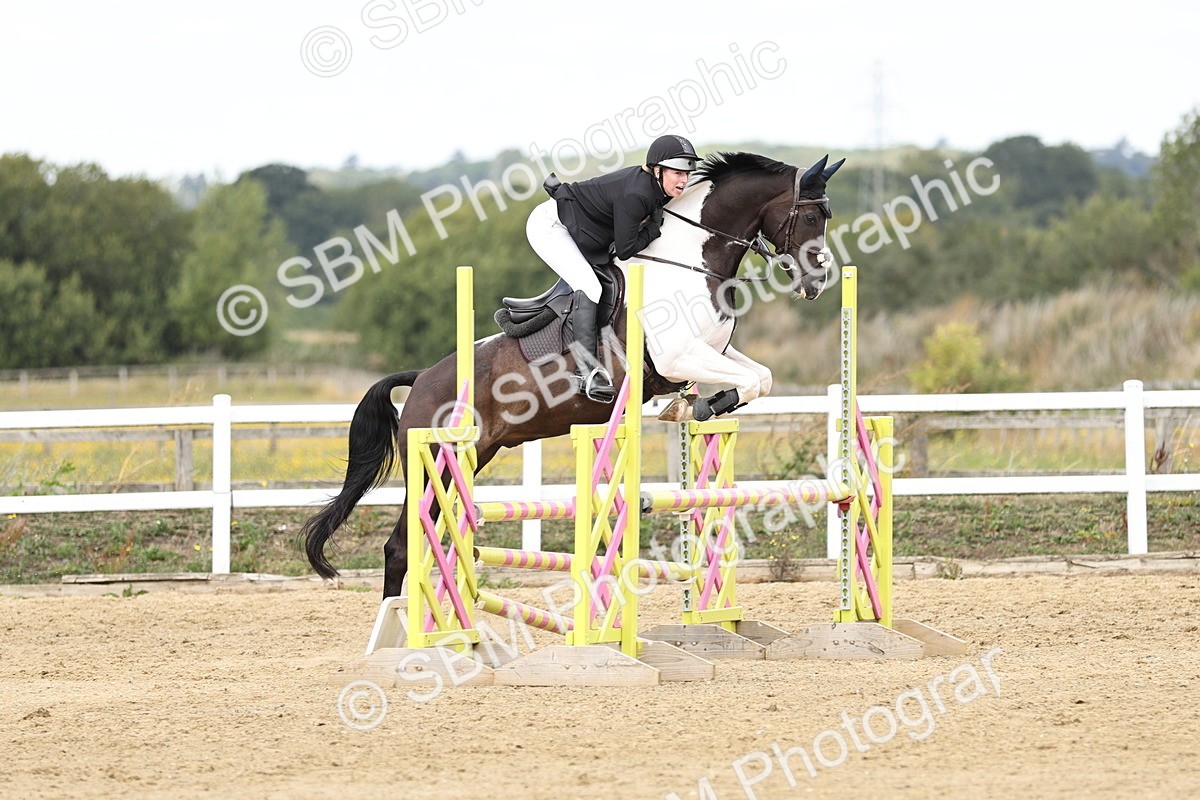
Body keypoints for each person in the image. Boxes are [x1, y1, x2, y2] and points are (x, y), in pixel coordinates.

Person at [525, 134, 703, 403]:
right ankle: (586, 372)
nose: (683, 180)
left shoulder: (657, 188)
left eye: (687, 174)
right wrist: (653, 231)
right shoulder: (638, 194)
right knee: (590, 286)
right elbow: (626, 249)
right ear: (657, 170)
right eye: (677, 173)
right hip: (550, 227)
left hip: (579, 227)